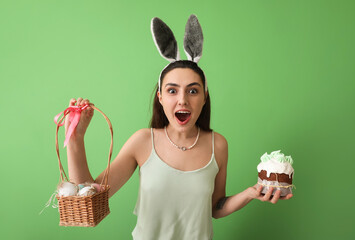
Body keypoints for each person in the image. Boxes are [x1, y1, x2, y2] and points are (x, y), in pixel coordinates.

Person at [65, 16, 293, 240]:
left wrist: (250, 194)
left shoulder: (218, 145)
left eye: (193, 91)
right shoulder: (143, 142)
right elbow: (89, 198)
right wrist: (76, 139)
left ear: (204, 98)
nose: (182, 100)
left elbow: (215, 207)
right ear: (160, 97)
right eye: (172, 90)